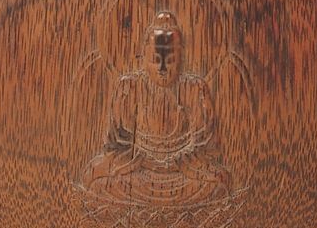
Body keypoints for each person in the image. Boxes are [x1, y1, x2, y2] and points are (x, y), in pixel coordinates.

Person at [80, 11, 230, 206]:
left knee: (219, 183)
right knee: (93, 179)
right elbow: (117, 143)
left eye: (170, 61)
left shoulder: (194, 88)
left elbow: (205, 146)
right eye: (156, 60)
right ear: (143, 57)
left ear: (181, 58)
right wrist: (145, 160)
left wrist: (174, 162)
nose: (163, 70)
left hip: (184, 172)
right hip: (137, 171)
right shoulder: (129, 87)